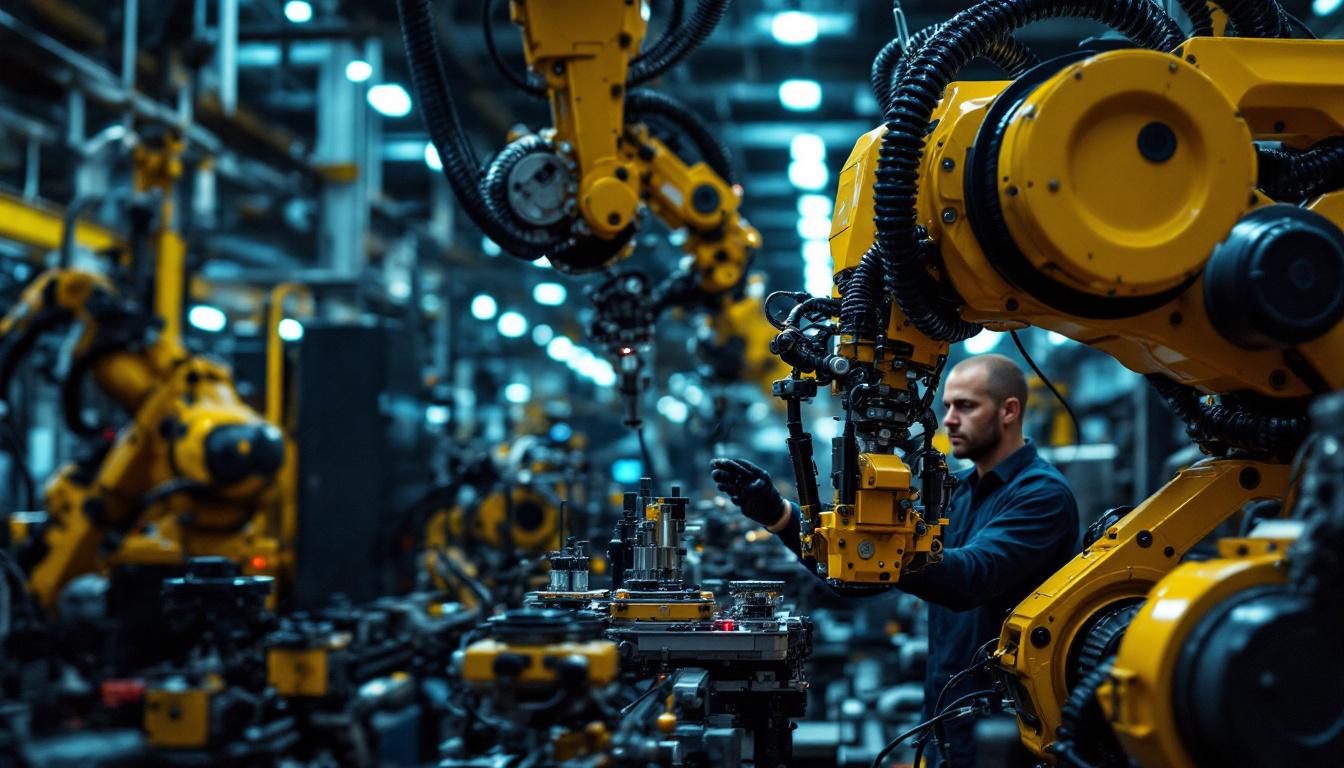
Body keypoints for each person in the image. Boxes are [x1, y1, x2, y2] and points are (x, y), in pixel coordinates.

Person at [711, 354, 1079, 766]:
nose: (951, 419)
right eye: (947, 407)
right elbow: (859, 576)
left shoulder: (1042, 496)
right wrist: (780, 516)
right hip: (947, 713)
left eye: (966, 406)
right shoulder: (962, 491)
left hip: (1005, 731)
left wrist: (873, 547)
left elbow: (971, 576)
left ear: (1009, 411)